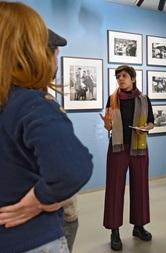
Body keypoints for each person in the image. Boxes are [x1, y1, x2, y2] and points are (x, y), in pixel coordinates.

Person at [0, 2, 93, 252]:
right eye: (54, 53)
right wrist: (41, 199)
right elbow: (72, 169)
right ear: (33, 52)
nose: (56, 59)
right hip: (31, 239)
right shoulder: (31, 104)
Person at [99, 65, 155, 251]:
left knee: (140, 186)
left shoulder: (144, 99)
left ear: (133, 78)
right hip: (118, 148)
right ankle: (114, 231)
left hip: (138, 146)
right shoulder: (113, 99)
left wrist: (146, 128)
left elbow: (151, 122)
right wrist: (107, 123)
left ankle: (139, 226)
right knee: (115, 187)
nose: (120, 79)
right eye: (118, 77)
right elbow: (108, 127)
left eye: (124, 76)